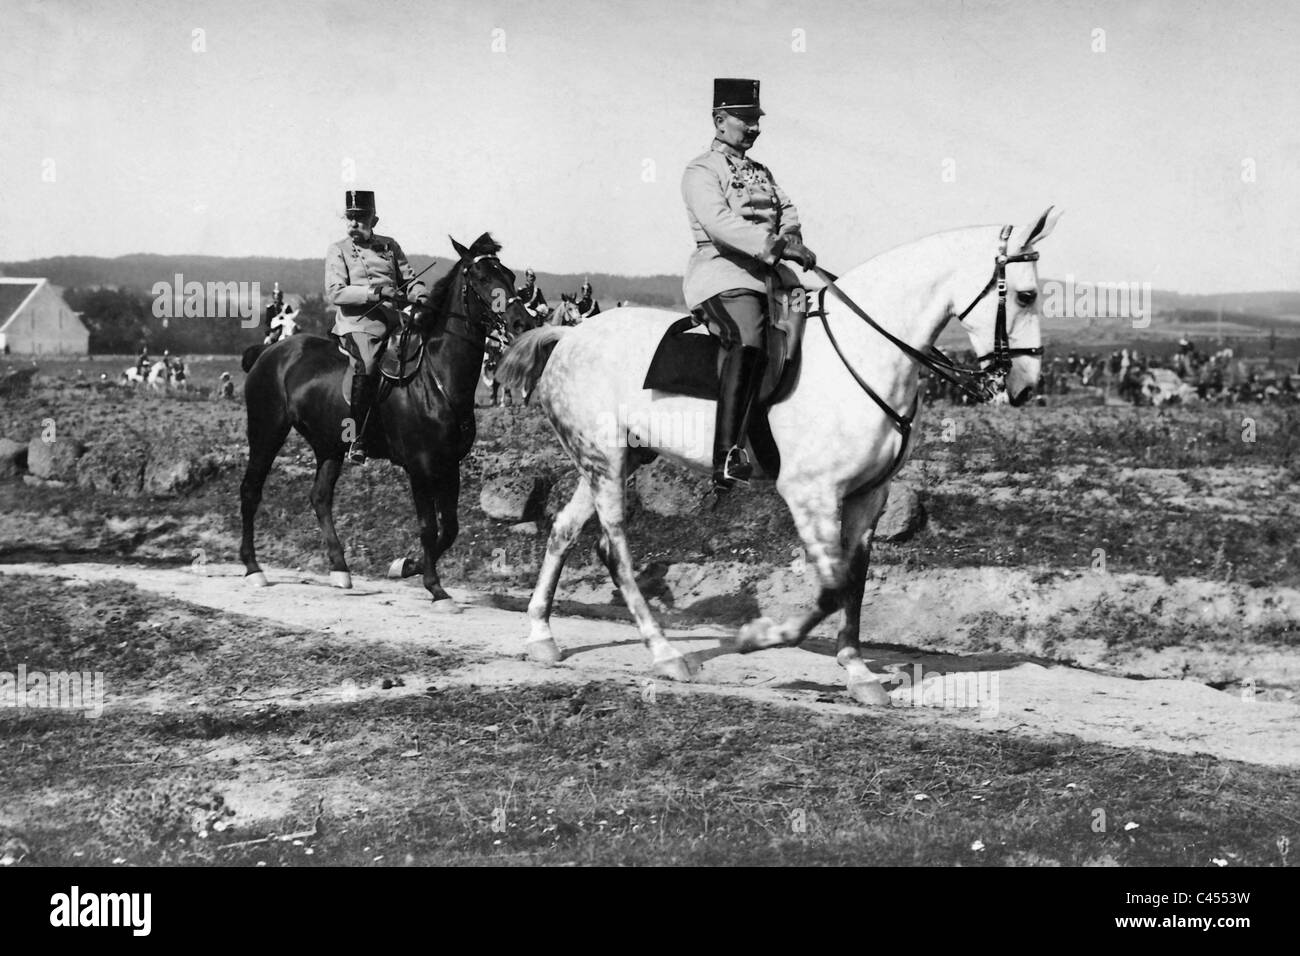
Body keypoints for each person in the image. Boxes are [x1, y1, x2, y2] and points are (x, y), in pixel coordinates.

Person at [681, 78, 815, 492]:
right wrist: (775, 245)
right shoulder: (702, 170)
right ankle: (727, 456)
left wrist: (791, 237)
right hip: (724, 272)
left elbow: (787, 208)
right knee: (749, 335)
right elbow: (719, 223)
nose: (755, 128)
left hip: (772, 276)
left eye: (757, 120)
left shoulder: (761, 171)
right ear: (720, 120)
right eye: (746, 120)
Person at [325, 190, 431, 464]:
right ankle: (356, 438)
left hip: (395, 321)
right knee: (369, 363)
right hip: (358, 324)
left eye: (360, 218)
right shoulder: (338, 250)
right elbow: (335, 292)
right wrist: (377, 292)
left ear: (374, 220)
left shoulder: (390, 245)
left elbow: (410, 279)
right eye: (350, 218)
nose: (353, 224)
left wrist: (420, 294)